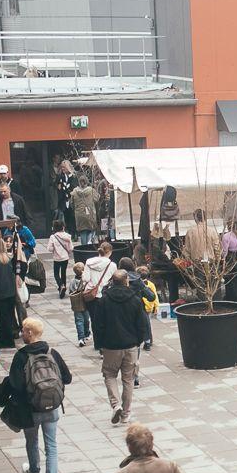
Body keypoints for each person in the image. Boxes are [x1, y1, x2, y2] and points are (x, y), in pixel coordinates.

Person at [7, 318, 71, 473]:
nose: (21, 334)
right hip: (52, 407)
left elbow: (16, 385)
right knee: (51, 446)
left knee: (32, 441)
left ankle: (35, 472)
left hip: (31, 409)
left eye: (24, 331)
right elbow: (67, 378)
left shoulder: (21, 356)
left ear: (30, 333)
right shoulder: (53, 353)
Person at [94, 269, 148, 425]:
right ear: (126, 281)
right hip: (130, 345)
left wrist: (100, 345)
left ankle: (115, 404)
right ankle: (125, 413)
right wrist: (138, 341)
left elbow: (98, 325)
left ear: (112, 281)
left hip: (111, 346)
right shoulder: (135, 300)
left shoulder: (104, 300)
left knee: (109, 375)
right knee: (128, 379)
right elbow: (142, 323)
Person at [0, 233, 22, 348]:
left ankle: (6, 340)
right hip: (10, 293)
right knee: (9, 316)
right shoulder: (8, 260)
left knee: (2, 318)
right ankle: (4, 336)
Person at [47, 219, 74, 299]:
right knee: (63, 273)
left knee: (56, 273)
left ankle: (61, 285)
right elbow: (71, 248)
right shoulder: (68, 236)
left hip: (57, 258)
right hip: (65, 258)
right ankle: (63, 288)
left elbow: (50, 249)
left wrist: (55, 248)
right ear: (63, 227)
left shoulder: (53, 237)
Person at [71, 175, 100, 244]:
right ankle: (90, 244)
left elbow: (71, 204)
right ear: (86, 182)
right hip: (90, 213)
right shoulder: (91, 191)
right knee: (91, 229)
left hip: (79, 215)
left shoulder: (74, 192)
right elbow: (97, 199)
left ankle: (84, 246)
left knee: (83, 231)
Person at [68, 262, 91, 347]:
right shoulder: (86, 281)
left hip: (76, 304)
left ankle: (80, 338)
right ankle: (87, 333)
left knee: (79, 321)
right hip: (85, 303)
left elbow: (70, 291)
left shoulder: (73, 282)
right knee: (86, 319)